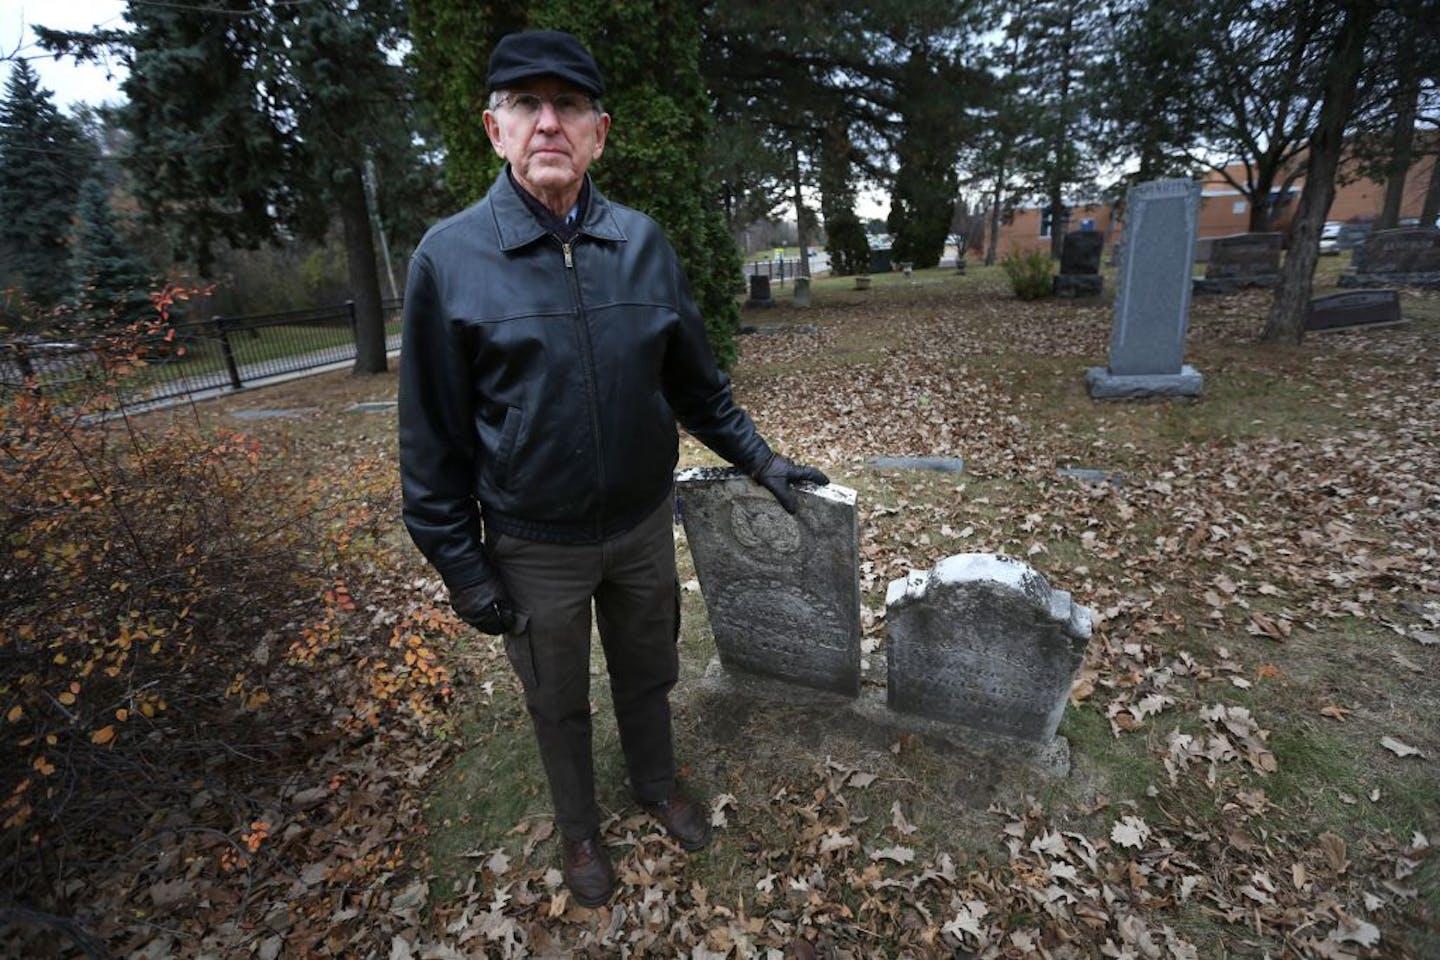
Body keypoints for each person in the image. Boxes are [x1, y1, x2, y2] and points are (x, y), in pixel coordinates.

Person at [397, 30, 828, 908]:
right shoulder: (449, 259)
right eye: (527, 105)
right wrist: (461, 566)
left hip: (638, 528)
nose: (548, 122)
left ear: (600, 131)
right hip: (532, 543)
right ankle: (579, 830)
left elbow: (698, 389)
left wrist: (762, 459)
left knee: (648, 670)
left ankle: (656, 782)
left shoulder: (643, 245)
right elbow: (430, 438)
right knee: (556, 699)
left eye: (569, 107)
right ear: (495, 128)